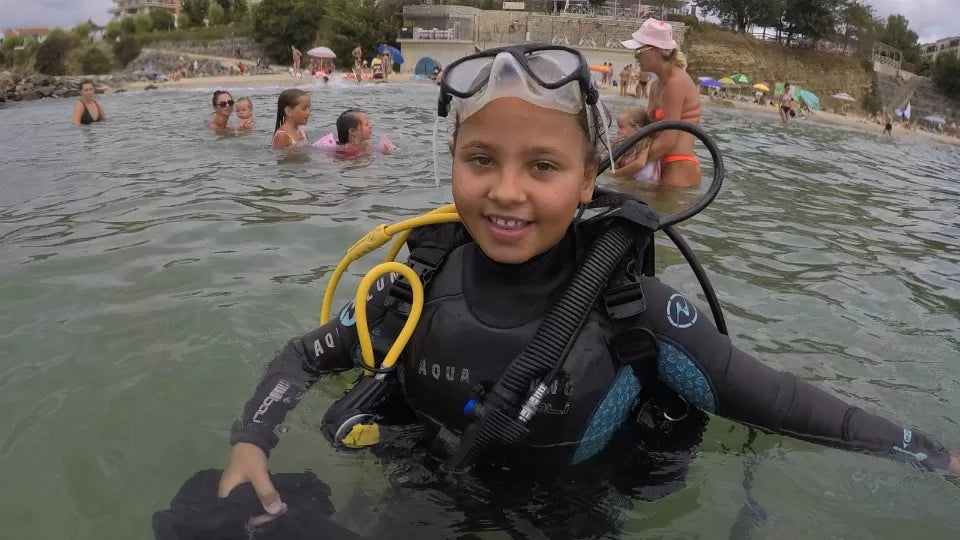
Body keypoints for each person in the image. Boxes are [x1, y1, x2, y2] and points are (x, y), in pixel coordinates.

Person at [219, 44, 960, 534]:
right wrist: (251, 440)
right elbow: (307, 354)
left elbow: (781, 402)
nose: (506, 191)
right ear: (452, 159)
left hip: (569, 513)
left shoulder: (626, 304)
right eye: (482, 158)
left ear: (587, 179)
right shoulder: (419, 281)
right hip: (428, 493)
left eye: (542, 167)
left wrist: (929, 453)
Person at [622, 19, 701, 187]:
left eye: (639, 49)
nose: (636, 55)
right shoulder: (657, 84)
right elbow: (650, 131)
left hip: (677, 166)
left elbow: (668, 141)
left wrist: (629, 167)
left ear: (657, 50)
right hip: (658, 163)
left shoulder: (676, 83)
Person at [612, 107, 659, 183]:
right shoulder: (627, 146)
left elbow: (640, 164)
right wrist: (614, 148)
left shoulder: (645, 143)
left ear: (637, 128)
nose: (618, 131)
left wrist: (618, 173)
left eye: (621, 127)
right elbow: (614, 166)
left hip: (645, 185)